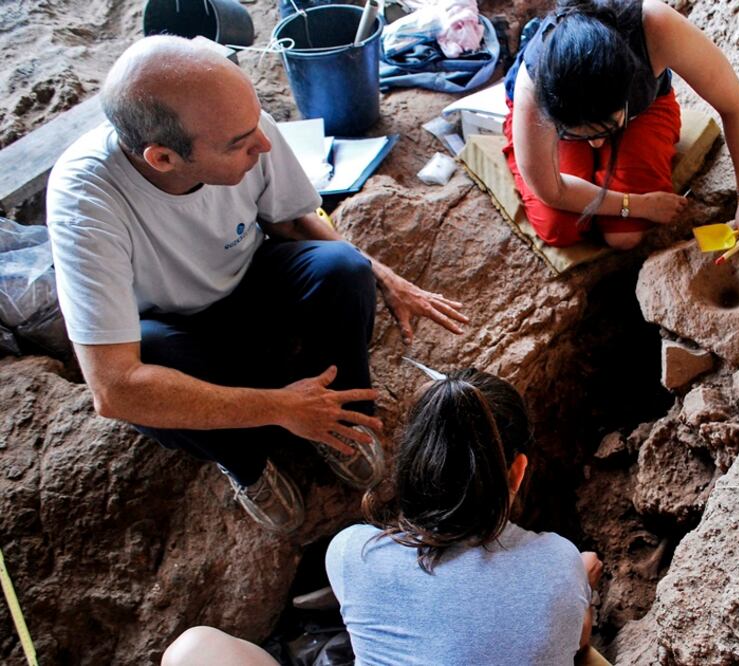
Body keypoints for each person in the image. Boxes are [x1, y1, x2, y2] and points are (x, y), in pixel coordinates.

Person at [45, 35, 469, 535]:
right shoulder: (86, 201)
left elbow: (291, 221)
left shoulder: (242, 125)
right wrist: (281, 407)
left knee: (343, 267)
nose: (263, 145)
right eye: (239, 144)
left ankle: (340, 420)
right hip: (178, 331)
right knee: (151, 358)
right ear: (163, 159)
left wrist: (381, 275)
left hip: (251, 282)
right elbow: (113, 389)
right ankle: (246, 461)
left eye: (256, 125)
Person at [160, 368, 603, 666]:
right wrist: (571, 578)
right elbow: (575, 640)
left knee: (192, 650)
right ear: (518, 471)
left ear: (408, 463)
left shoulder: (353, 552)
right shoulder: (560, 561)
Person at [502, 0, 739, 253]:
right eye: (585, 135)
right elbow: (552, 190)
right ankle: (573, 139)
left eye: (604, 131)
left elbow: (733, 105)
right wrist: (637, 205)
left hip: (639, 111)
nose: (596, 144)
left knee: (625, 235)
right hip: (565, 113)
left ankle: (596, 140)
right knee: (560, 228)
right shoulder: (534, 84)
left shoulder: (656, 28)